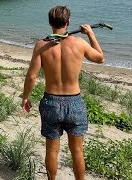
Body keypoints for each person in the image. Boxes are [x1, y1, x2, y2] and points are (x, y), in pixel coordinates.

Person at [21, 5, 104, 180]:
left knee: (52, 149)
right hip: (74, 102)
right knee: (77, 150)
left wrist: (25, 97)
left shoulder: (42, 45)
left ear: (50, 22)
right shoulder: (80, 43)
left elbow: (32, 76)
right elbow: (100, 58)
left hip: (51, 102)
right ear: (68, 22)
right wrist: (90, 34)